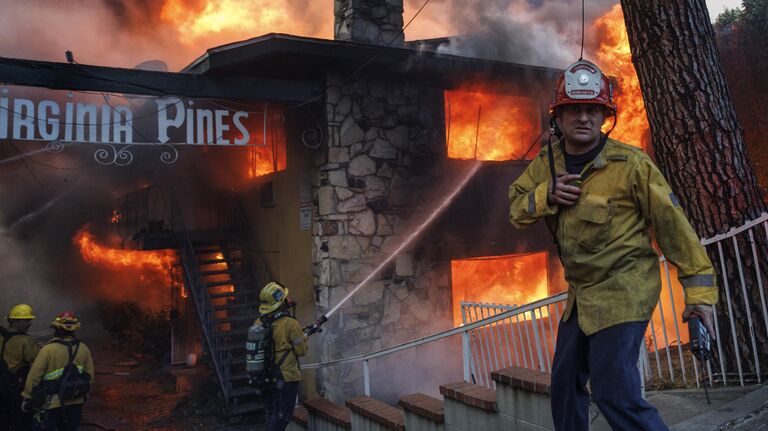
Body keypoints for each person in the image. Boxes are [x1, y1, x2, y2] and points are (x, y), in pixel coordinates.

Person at [508, 59, 719, 430]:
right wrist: (546, 195)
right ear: (557, 117)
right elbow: (516, 210)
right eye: (574, 109)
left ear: (606, 116)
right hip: (582, 295)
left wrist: (699, 297)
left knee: (613, 391)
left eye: (593, 109)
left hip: (625, 288)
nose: (584, 118)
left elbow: (674, 229)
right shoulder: (547, 164)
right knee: (564, 387)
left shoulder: (631, 164)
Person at [21, 312, 94, 431]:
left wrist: (27, 397)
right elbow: (89, 376)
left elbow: (34, 376)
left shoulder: (48, 350)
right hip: (75, 402)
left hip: (52, 404)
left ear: (56, 328)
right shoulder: (83, 348)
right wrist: (84, 393)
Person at [258, 282, 308, 431]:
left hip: (266, 377)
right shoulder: (290, 324)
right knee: (282, 418)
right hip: (285, 378)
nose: (289, 299)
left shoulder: (260, 322)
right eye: (286, 297)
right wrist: (303, 337)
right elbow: (301, 350)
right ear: (281, 302)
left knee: (272, 413)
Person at [1, 304, 39, 431]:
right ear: (16, 321)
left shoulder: (1, 336)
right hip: (17, 389)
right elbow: (37, 364)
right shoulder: (25, 341)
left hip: (2, 386)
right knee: (21, 421)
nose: (29, 323)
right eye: (27, 320)